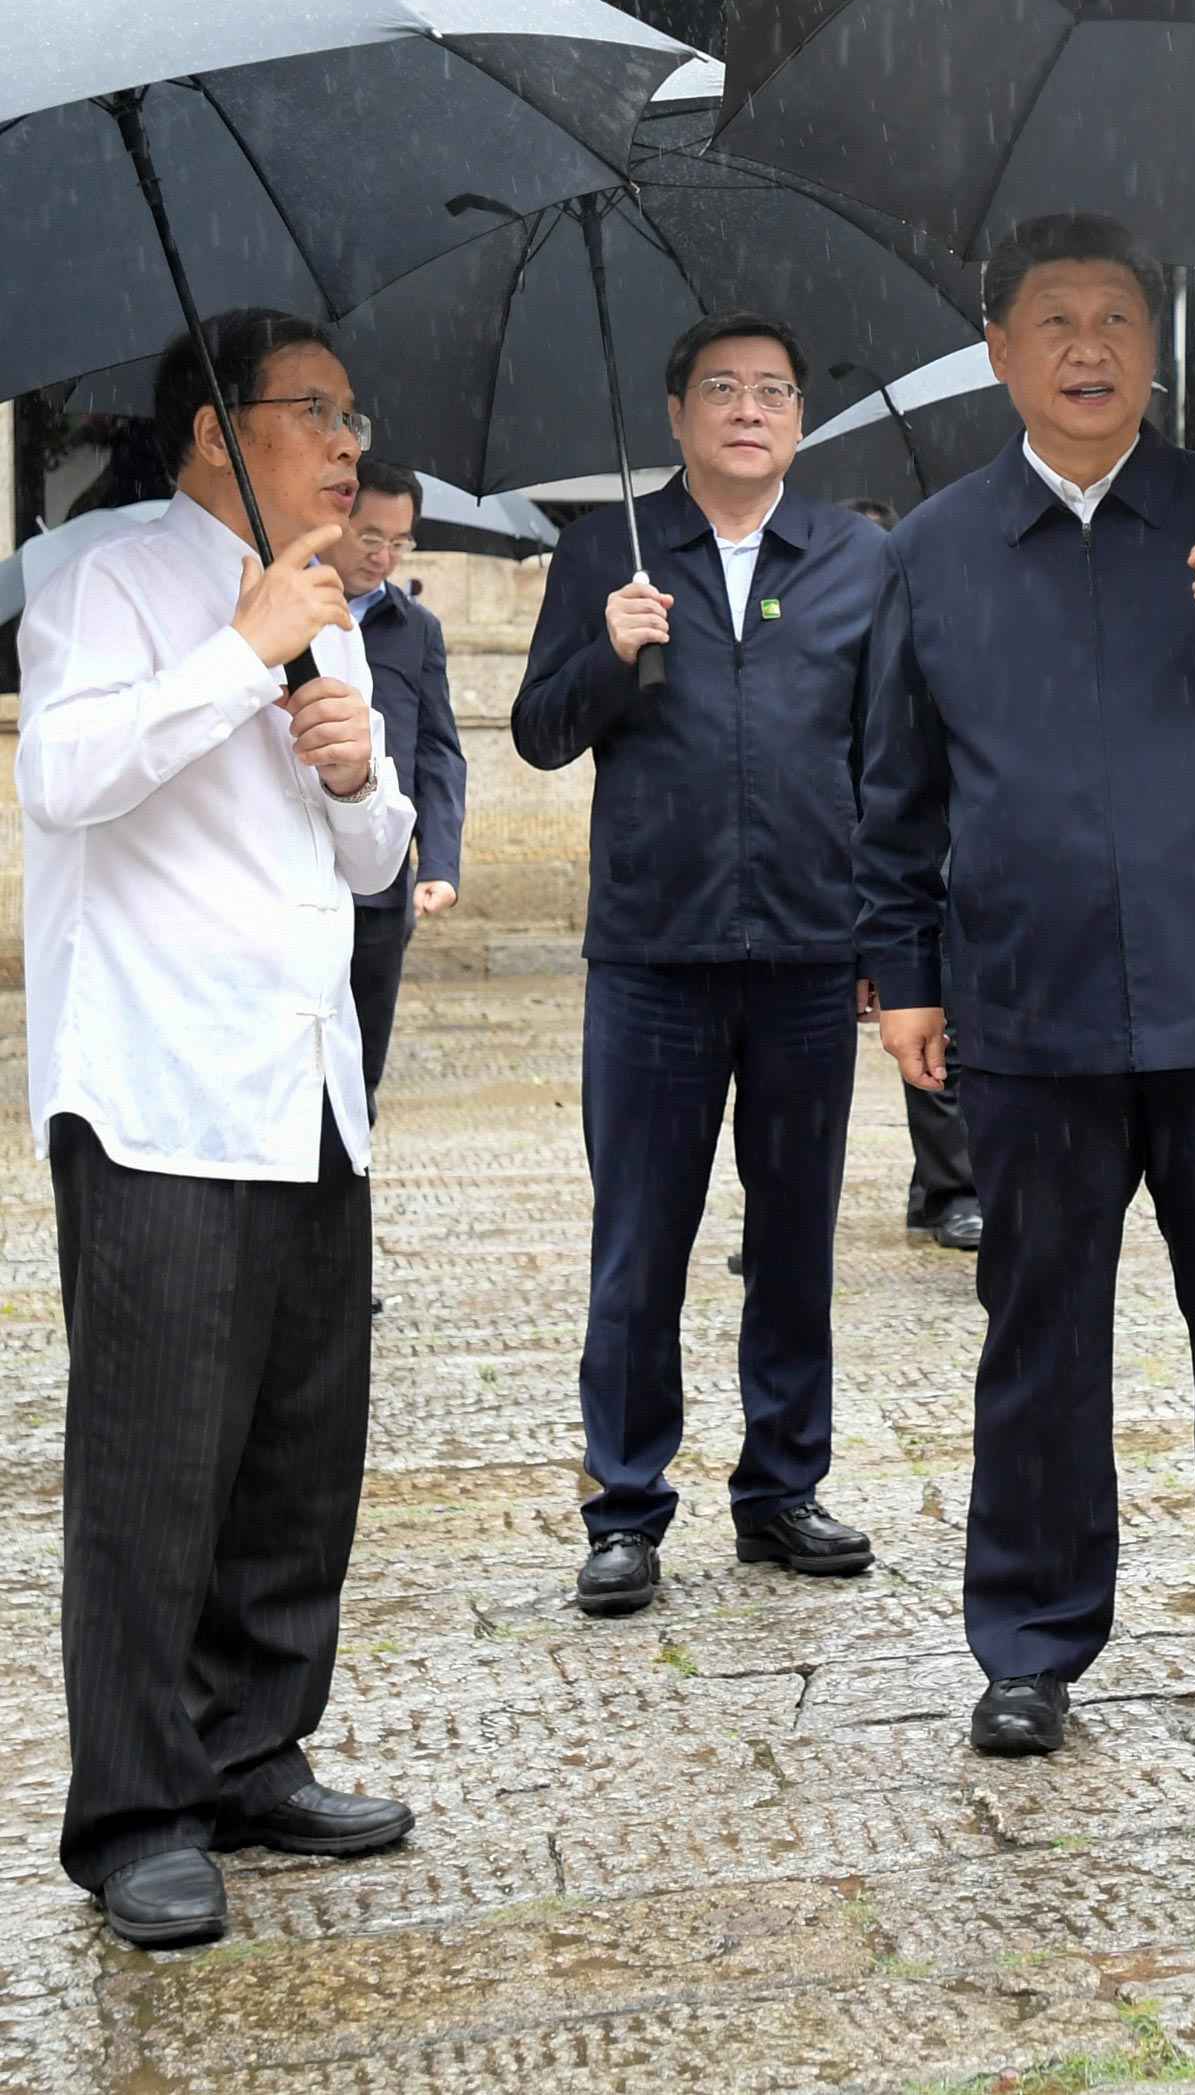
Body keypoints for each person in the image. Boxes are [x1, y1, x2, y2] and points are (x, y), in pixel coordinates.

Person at [856, 214, 1195, 1762]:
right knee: (1036, 1337)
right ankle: (1028, 1639)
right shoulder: (935, 548)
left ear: (1157, 347)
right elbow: (893, 792)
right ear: (997, 352)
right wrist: (902, 975)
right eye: (1053, 319)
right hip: (1028, 1014)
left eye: (1114, 317)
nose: (1087, 346)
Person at [16, 309, 418, 1952]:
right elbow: (66, 776)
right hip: (160, 1088)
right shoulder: (96, 572)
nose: (346, 445)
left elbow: (379, 861)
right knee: (152, 1467)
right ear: (209, 429)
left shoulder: (337, 601)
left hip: (308, 1081)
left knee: (292, 1455)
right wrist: (238, 652)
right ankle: (134, 1811)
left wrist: (347, 776)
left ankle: (254, 1751)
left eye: (350, 415)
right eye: (314, 414)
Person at [512, 312, 886, 1618]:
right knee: (639, 1243)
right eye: (720, 388)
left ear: (798, 417)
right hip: (652, 958)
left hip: (804, 955)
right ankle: (624, 1507)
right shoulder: (604, 555)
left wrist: (886, 937)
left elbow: (886, 758)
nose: (747, 407)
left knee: (793, 1239)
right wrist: (608, 654)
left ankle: (781, 1485)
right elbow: (541, 732)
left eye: (772, 389)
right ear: (674, 413)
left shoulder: (853, 557)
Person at [839, 498, 983, 1256]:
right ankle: (945, 1184)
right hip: (859, 842)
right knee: (924, 1017)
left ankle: (945, 1184)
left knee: (944, 1013)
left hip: (951, 834)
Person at [328, 459, 467, 1121]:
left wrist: (438, 861)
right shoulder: (285, 610)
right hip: (294, 871)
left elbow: (440, 753)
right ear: (335, 518)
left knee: (359, 1073)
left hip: (381, 888)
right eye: (370, 538)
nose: (385, 556)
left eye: (401, 542)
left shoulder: (418, 630)